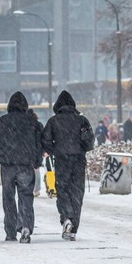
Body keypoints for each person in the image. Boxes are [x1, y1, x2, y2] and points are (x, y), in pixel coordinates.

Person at [0, 91, 45, 243]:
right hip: (26, 166)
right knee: (26, 197)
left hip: (8, 167)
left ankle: (10, 232)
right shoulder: (32, 122)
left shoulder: (3, 122)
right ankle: (25, 226)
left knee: (8, 199)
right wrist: (37, 161)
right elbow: (40, 144)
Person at [41, 90, 94, 241]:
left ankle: (66, 218)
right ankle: (73, 228)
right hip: (78, 160)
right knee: (77, 193)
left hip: (62, 160)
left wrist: (53, 150)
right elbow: (90, 142)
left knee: (63, 190)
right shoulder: (82, 120)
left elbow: (45, 140)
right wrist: (80, 148)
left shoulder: (53, 121)